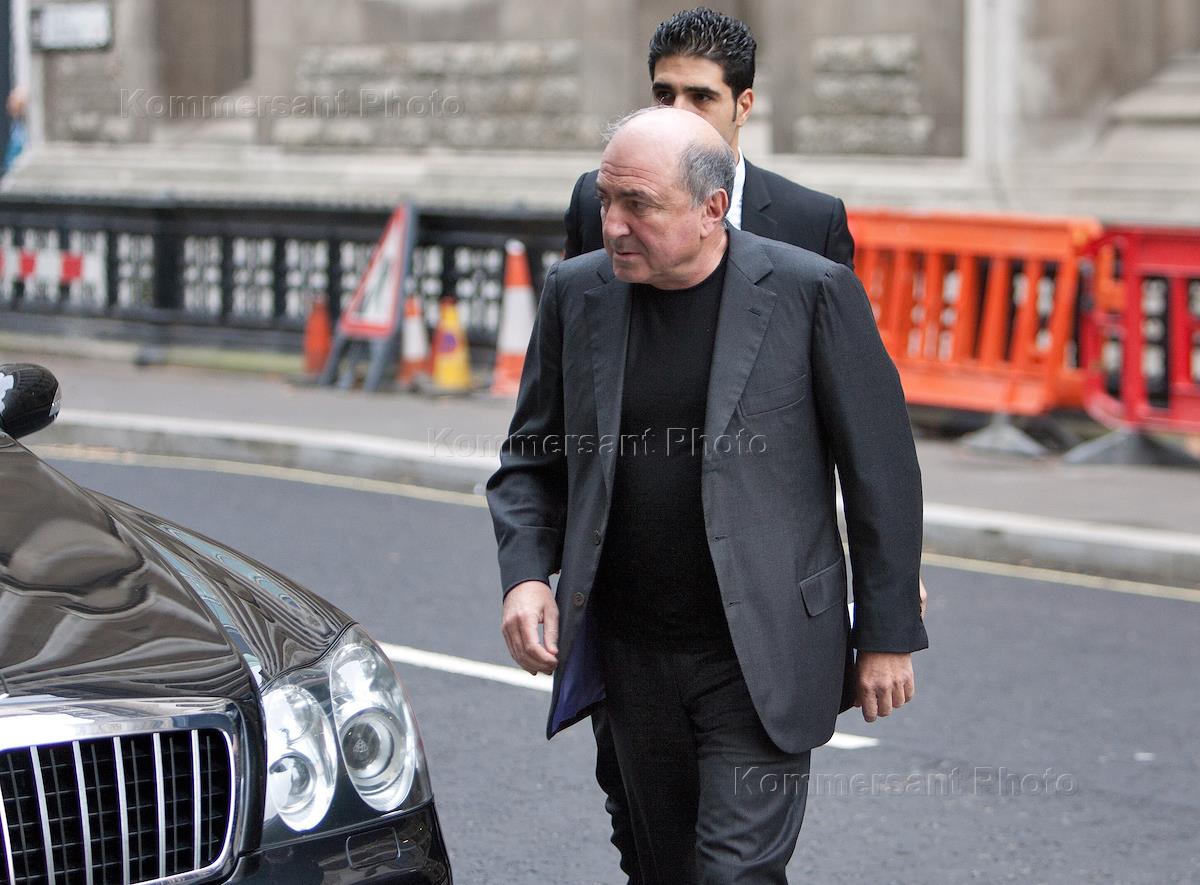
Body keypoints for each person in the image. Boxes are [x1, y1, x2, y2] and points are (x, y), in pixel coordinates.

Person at [487, 106, 928, 884]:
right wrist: (526, 575)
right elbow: (531, 456)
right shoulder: (575, 292)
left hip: (761, 653)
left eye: (639, 205)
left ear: (712, 208)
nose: (613, 225)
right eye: (606, 200)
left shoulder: (811, 291)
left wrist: (887, 632)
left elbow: (881, 471)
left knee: (734, 873)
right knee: (660, 867)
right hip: (631, 653)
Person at [564, 7, 854, 266]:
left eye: (701, 97)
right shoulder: (596, 201)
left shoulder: (813, 220)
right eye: (664, 95)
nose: (677, 112)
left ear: (743, 107)